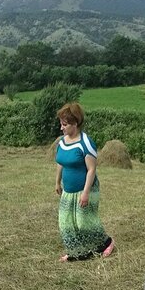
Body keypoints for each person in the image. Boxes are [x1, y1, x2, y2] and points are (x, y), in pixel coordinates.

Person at [54, 102, 113, 262]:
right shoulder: (62, 142)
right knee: (66, 223)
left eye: (64, 124)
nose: (61, 128)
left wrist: (86, 193)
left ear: (75, 123)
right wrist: (57, 182)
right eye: (61, 124)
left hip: (86, 189)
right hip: (68, 190)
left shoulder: (86, 143)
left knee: (83, 222)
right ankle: (77, 252)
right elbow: (60, 162)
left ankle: (107, 243)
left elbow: (91, 170)